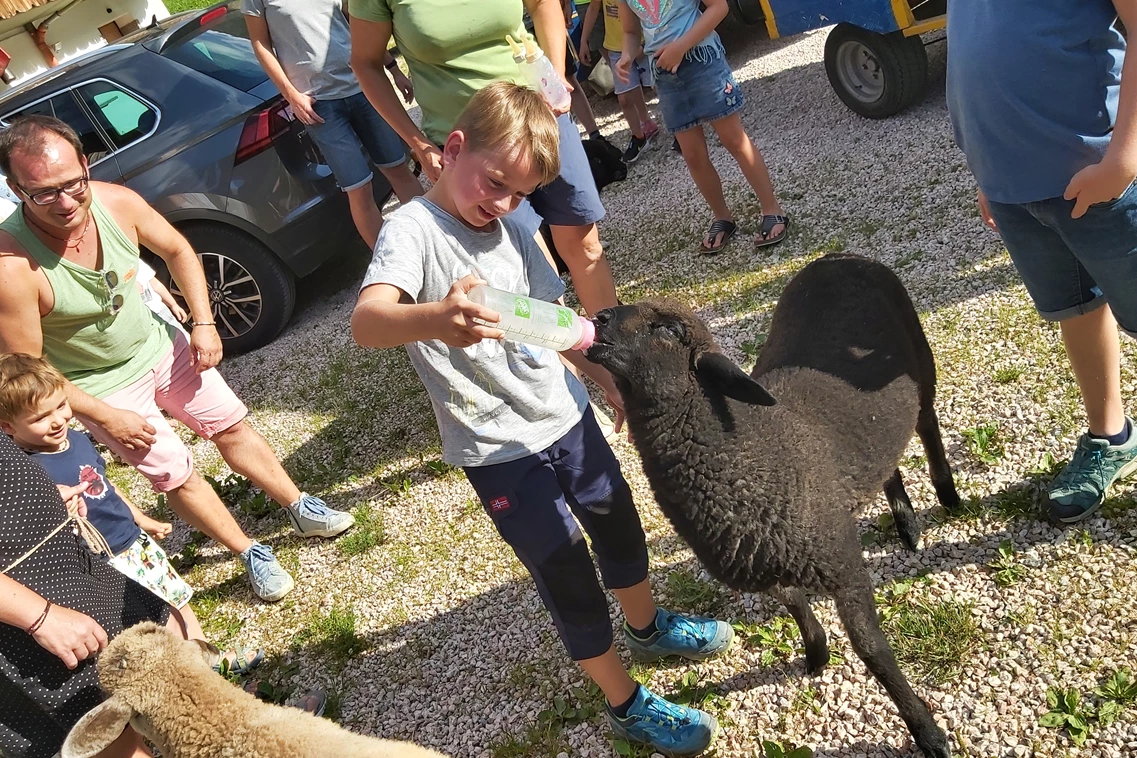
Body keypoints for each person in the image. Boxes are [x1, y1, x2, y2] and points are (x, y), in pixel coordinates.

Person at [351, 82, 733, 756]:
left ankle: (646, 628)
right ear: (454, 149)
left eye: (519, 195)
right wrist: (438, 318)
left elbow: (552, 321)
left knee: (618, 526)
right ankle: (624, 701)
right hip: (499, 450)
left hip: (566, 419)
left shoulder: (515, 227)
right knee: (568, 575)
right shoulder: (411, 229)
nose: (501, 203)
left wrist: (601, 376)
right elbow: (368, 321)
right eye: (494, 183)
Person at [0, 116, 355, 603]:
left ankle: (298, 504)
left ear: (85, 165)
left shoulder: (115, 202)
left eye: (72, 184)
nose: (65, 202)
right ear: (15, 189)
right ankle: (248, 550)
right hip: (100, 386)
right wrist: (105, 416)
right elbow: (30, 373)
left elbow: (178, 249)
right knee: (175, 472)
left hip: (159, 344)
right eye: (44, 193)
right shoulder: (12, 266)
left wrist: (204, 322)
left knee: (231, 426)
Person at [947, 1, 1137, 523]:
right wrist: (985, 168)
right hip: (1011, 185)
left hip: (1100, 178)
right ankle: (1111, 437)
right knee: (1074, 308)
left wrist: (1124, 156)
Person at [348, 0, 620, 317]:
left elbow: (544, 4)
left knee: (585, 246)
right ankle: (559, 364)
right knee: (530, 272)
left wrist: (554, 77)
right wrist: (418, 144)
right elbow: (366, 63)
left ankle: (614, 356)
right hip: (476, 152)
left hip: (541, 120)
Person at [0, 431, 174, 758]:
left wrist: (42, 498)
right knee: (108, 736)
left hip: (66, 573)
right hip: (28, 618)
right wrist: (40, 617)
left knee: (140, 700)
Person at [242, 0, 424, 249]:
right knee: (359, 189)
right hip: (319, 105)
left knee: (398, 169)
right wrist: (291, 96)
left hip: (364, 89)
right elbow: (260, 44)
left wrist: (392, 68)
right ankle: (392, 264)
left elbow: (359, 24)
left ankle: (434, 241)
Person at [617, 0, 788, 252]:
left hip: (703, 60)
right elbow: (631, 32)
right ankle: (722, 217)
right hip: (665, 74)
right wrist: (627, 55)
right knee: (693, 155)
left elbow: (719, 7)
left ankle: (772, 209)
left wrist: (681, 46)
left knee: (734, 140)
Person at [580, 0, 660, 163]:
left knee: (658, 86)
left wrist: (646, 42)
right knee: (624, 98)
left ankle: (679, 129)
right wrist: (583, 41)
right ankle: (639, 137)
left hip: (644, 42)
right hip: (616, 46)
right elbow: (594, 8)